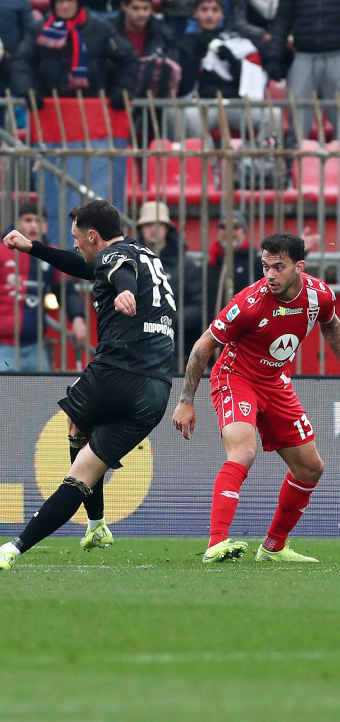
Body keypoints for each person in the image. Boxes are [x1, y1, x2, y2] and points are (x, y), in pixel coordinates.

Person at [0, 200, 177, 569]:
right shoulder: (145, 256)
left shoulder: (117, 258)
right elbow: (91, 266)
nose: (75, 244)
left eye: (77, 237)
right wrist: (35, 248)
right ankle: (87, 528)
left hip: (116, 371)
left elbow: (117, 271)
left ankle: (28, 546)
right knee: (83, 469)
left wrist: (124, 291)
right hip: (156, 390)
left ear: (93, 236)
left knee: (77, 430)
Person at [172, 233, 339, 563]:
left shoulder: (320, 296)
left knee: (310, 468)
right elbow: (203, 345)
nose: (270, 276)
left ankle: (274, 547)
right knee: (244, 449)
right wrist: (185, 400)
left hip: (276, 382)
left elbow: (331, 325)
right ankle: (216, 542)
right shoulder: (249, 304)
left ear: (299, 267)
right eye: (266, 267)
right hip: (236, 378)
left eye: (279, 267)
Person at [0, 202, 88, 372]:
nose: (33, 225)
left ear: (46, 227)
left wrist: (78, 318)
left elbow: (66, 291)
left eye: (38, 221)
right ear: (17, 223)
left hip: (36, 346)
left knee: (38, 398)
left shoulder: (53, 255)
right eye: (28, 219)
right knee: (3, 399)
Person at [10, 0, 139, 110]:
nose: (65, 6)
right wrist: (28, 91)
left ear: (79, 3)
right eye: (60, 1)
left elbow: (129, 59)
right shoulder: (39, 30)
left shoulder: (101, 29)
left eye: (70, 0)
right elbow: (21, 61)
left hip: (93, 108)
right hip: (49, 108)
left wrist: (123, 90)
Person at [266, 0, 340, 148]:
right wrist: (274, 56)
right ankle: (292, 174)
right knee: (297, 126)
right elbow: (282, 21)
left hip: (337, 55)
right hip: (304, 57)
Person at [172, 0, 275, 144]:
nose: (209, 15)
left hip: (234, 104)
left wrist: (232, 60)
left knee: (273, 115)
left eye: (215, 10)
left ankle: (261, 164)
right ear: (195, 14)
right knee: (190, 118)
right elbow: (183, 88)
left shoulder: (238, 42)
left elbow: (252, 84)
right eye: (204, 9)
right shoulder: (185, 43)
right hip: (203, 105)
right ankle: (205, 164)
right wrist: (196, 57)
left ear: (222, 15)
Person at [134, 200, 204, 367]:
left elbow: (197, 306)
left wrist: (169, 320)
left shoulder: (185, 265)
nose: (153, 229)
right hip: (136, 348)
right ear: (141, 229)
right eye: (148, 224)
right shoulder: (131, 262)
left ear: (167, 228)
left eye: (158, 224)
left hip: (173, 350)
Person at [206, 210, 254, 317]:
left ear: (244, 232)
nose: (228, 232)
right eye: (223, 227)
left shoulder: (255, 262)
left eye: (235, 227)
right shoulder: (212, 264)